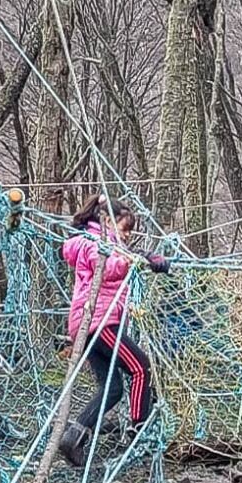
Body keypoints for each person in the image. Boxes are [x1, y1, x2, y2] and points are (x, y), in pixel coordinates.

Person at [58, 194, 171, 466]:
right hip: (98, 322)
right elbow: (107, 267)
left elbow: (120, 259)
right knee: (140, 367)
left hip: (90, 324)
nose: (128, 235)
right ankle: (137, 428)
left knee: (112, 389)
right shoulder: (91, 242)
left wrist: (142, 258)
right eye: (125, 228)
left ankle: (73, 437)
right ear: (107, 221)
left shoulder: (106, 243)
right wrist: (136, 260)